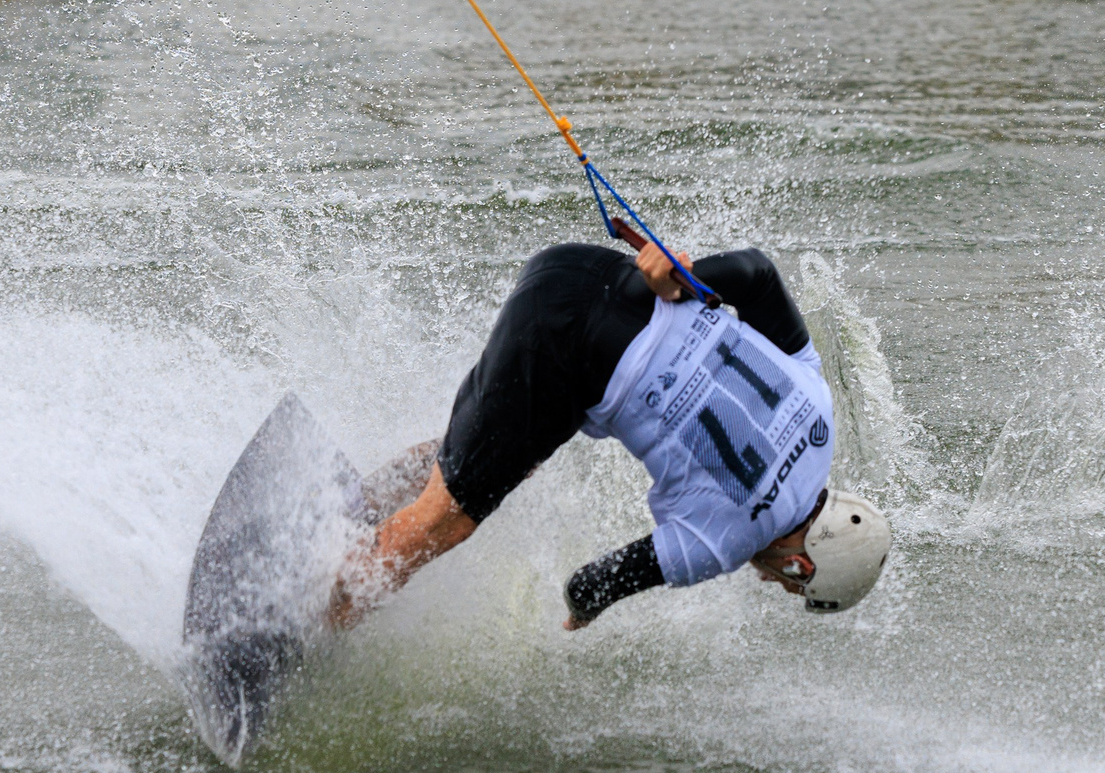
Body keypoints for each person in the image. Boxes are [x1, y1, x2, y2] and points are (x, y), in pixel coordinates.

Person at [331, 221, 892, 632]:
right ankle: (309, 616)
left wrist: (684, 278)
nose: (771, 583)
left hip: (585, 271)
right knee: (445, 523)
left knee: (504, 460)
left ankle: (359, 502)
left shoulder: (820, 412)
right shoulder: (727, 540)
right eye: (793, 584)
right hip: (561, 352)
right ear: (802, 561)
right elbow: (590, 582)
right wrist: (582, 613)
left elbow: (759, 275)